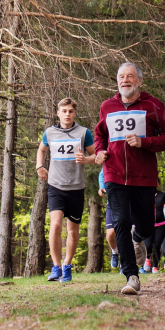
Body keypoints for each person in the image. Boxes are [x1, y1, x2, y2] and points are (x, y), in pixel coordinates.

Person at [94, 62, 165, 296]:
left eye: (130, 77)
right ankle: (131, 275)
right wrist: (100, 151)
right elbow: (100, 134)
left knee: (146, 225)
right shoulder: (107, 106)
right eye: (121, 77)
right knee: (119, 221)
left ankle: (138, 238)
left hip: (144, 176)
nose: (125, 80)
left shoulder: (154, 106)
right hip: (114, 173)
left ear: (140, 81)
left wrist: (145, 142)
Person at [36, 98, 97, 283]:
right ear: (58, 113)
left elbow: (95, 155)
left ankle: (67, 265)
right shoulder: (50, 132)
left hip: (76, 186)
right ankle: (56, 267)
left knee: (72, 229)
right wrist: (39, 166)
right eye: (64, 111)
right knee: (55, 225)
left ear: (75, 113)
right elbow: (41, 150)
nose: (67, 114)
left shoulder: (83, 132)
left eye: (70, 111)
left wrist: (85, 160)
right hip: (55, 185)